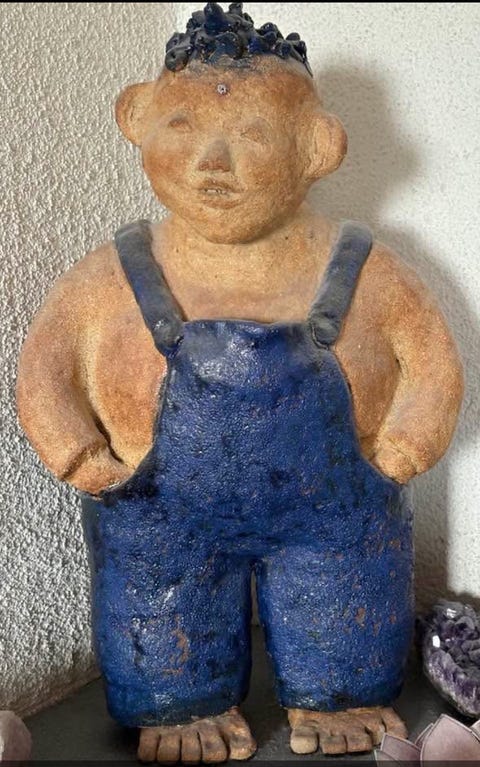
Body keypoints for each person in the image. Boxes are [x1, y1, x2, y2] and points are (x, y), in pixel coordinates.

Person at [17, 3, 463, 762]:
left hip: (334, 512)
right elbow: (47, 366)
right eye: (183, 126)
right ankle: (180, 700)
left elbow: (431, 361)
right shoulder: (109, 275)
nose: (212, 161)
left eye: (252, 134)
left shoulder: (366, 269)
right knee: (162, 607)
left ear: (319, 146)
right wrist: (77, 451)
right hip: (161, 516)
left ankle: (339, 694)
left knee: (344, 605)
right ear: (135, 118)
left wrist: (407, 443)